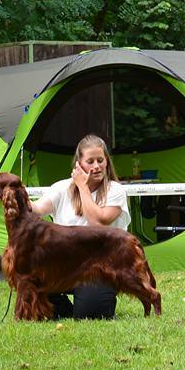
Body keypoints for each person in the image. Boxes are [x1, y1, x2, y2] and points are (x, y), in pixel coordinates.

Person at [29, 134, 131, 320]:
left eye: (100, 160)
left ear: (107, 162)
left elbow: (98, 223)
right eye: (90, 161)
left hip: (102, 266)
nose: (96, 166)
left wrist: (83, 187)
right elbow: (37, 210)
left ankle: (90, 301)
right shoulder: (61, 188)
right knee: (29, 279)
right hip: (64, 264)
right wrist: (16, 195)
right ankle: (63, 308)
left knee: (90, 314)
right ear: (79, 164)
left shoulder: (115, 190)